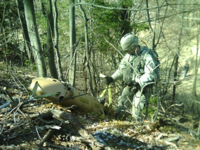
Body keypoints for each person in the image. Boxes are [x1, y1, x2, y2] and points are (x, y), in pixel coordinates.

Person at [104, 33, 158, 122]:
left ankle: (137, 130)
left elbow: (151, 75)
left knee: (136, 111)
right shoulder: (128, 57)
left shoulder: (147, 56)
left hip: (143, 88)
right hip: (130, 86)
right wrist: (112, 78)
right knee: (120, 108)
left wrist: (137, 81)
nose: (127, 52)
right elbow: (121, 70)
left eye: (128, 50)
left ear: (133, 47)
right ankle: (119, 128)